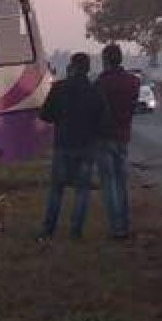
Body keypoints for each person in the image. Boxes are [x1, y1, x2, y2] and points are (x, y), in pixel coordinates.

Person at [37, 52, 106, 240]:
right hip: (86, 146)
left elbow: (45, 115)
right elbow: (103, 121)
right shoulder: (95, 91)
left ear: (72, 67)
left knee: (56, 189)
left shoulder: (59, 88)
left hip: (63, 144)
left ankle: (48, 230)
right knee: (82, 191)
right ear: (88, 69)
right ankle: (75, 232)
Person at [93, 43, 140, 240]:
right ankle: (126, 224)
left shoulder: (101, 83)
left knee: (109, 183)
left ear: (105, 60)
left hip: (104, 136)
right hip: (123, 135)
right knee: (122, 182)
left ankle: (116, 227)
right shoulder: (133, 82)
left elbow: (95, 110)